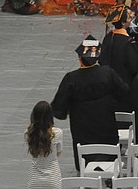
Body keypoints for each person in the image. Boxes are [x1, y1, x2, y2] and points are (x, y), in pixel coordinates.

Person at [51, 35, 129, 170]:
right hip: (107, 129)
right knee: (109, 160)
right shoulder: (108, 73)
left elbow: (59, 108)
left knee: (85, 163)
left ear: (80, 58)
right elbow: (125, 93)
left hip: (83, 132)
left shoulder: (71, 79)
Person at [25, 100, 63, 189]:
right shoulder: (58, 133)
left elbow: (32, 152)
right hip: (53, 179)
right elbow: (58, 153)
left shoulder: (28, 133)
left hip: (34, 180)